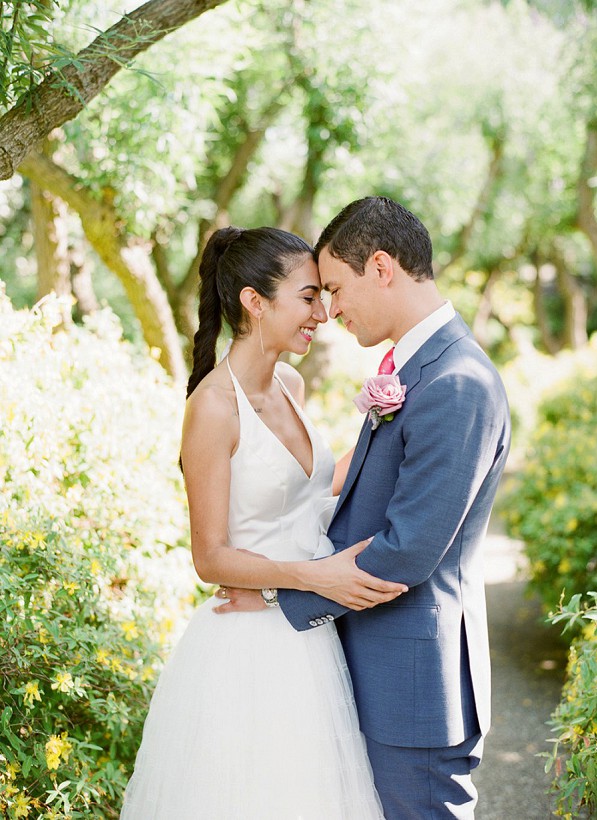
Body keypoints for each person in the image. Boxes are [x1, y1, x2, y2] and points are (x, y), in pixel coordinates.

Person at [219, 198, 512, 819]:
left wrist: (277, 598)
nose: (330, 309)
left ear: (381, 267)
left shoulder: (456, 382)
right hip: (375, 668)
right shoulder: (417, 370)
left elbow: (405, 550)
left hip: (414, 687)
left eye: (335, 287)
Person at [120, 225, 408, 819]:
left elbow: (304, 492)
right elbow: (210, 556)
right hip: (248, 649)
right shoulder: (212, 409)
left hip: (310, 635)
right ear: (255, 301)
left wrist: (390, 422)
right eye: (308, 297)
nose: (323, 313)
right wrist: (310, 577)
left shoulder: (291, 383)